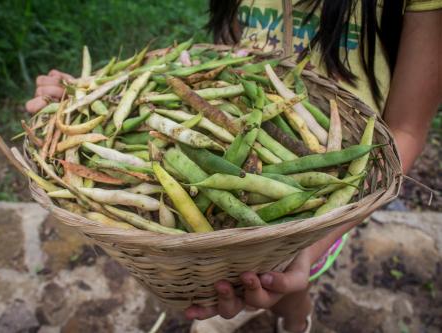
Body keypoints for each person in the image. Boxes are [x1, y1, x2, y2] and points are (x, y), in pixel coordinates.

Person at [26, 1, 441, 332]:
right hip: (242, 192)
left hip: (322, 210)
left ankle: (296, 321)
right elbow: (230, 60)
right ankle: (292, 309)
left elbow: (405, 127)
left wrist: (307, 247)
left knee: (295, 269)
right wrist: (87, 95)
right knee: (258, 268)